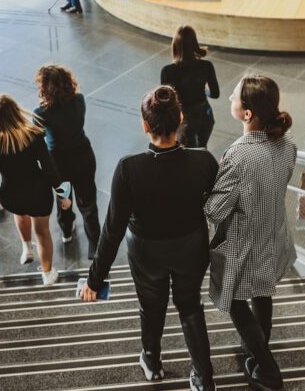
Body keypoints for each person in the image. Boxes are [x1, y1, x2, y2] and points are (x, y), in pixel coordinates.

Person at [82, 86, 217, 390]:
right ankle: (203, 377)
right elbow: (219, 208)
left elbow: (113, 229)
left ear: (145, 126)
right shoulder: (204, 161)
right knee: (190, 305)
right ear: (180, 118)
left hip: (146, 252)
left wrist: (95, 279)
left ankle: (152, 362)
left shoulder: (129, 168)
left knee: (151, 306)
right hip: (191, 246)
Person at [205, 75, 297, 391]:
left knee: (231, 296)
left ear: (247, 114)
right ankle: (258, 353)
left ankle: (268, 369)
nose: (230, 97)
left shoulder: (239, 154)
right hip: (273, 233)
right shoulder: (288, 145)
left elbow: (215, 210)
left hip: (246, 241)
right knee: (263, 289)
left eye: (234, 97)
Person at [0, 94, 69, 285]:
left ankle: (26, 247)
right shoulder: (32, 135)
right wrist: (62, 194)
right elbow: (49, 168)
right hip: (39, 192)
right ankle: (47, 274)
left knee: (21, 214)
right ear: (15, 112)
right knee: (42, 232)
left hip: (11, 195)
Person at [34, 65, 101, 259]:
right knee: (88, 202)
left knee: (64, 198)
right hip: (83, 156)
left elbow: (37, 139)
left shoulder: (41, 112)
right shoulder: (79, 100)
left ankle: (66, 230)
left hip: (58, 163)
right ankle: (94, 245)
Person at [160, 26, 218, 149]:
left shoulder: (167, 71)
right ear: (195, 43)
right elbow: (215, 93)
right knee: (202, 148)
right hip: (205, 115)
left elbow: (165, 102)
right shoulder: (206, 66)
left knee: (188, 153)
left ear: (175, 45)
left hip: (184, 118)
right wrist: (204, 91)